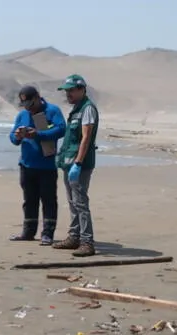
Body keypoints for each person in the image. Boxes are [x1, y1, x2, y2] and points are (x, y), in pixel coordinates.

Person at [9, 85, 66, 246]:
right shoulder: (22, 115)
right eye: (25, 105)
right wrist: (18, 136)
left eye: (31, 104)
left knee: (48, 200)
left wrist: (38, 134)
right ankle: (28, 232)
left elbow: (61, 129)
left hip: (46, 166)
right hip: (27, 165)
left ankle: (47, 233)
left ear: (38, 97)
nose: (29, 108)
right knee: (29, 200)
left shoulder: (52, 111)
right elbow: (12, 138)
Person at [51, 74, 100, 257]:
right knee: (72, 202)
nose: (68, 94)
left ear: (81, 89)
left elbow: (86, 138)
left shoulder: (87, 109)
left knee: (80, 203)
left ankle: (87, 242)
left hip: (80, 164)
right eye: (66, 91)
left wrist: (78, 163)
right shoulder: (76, 109)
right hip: (69, 162)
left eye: (71, 90)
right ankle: (74, 237)